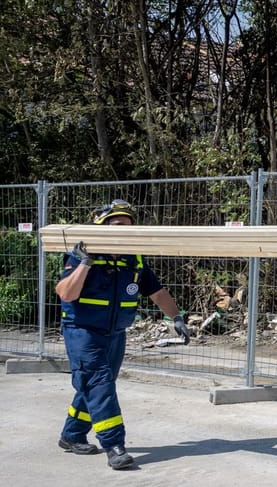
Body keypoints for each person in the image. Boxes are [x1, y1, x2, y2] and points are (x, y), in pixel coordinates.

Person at [55, 199, 190, 470]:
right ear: (100, 228)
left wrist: (176, 317)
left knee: (92, 385)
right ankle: (114, 445)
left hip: (115, 332)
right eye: (116, 226)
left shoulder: (134, 259)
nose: (122, 231)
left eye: (127, 227)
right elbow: (66, 293)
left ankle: (72, 435)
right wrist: (85, 264)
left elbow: (157, 292)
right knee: (100, 384)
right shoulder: (80, 255)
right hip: (82, 331)